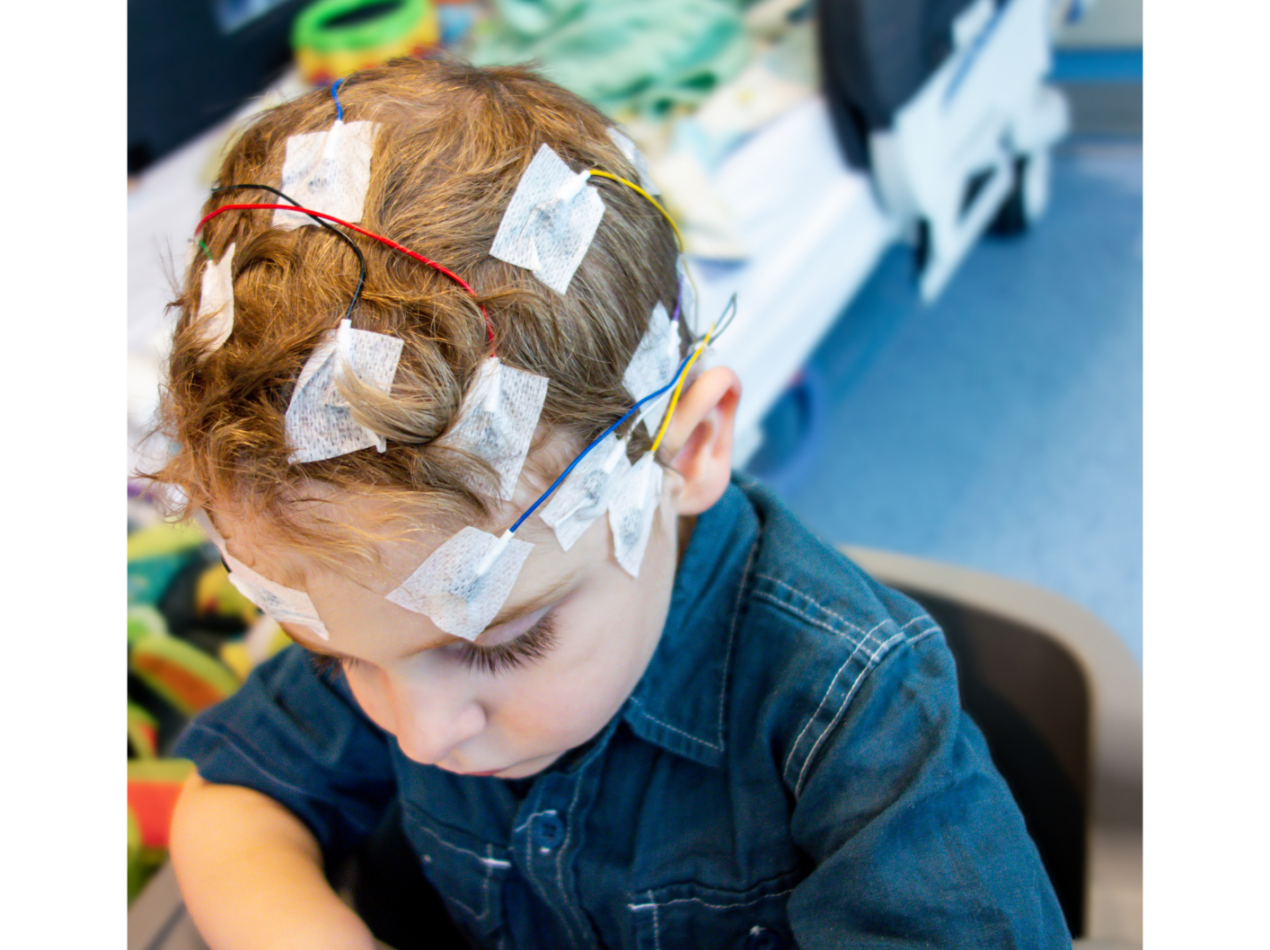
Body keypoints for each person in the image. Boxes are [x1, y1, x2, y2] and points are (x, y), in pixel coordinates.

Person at [160, 58, 1069, 950]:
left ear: (690, 450)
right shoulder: (391, 630)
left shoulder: (852, 715)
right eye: (332, 659)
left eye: (498, 643)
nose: (422, 733)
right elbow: (234, 802)